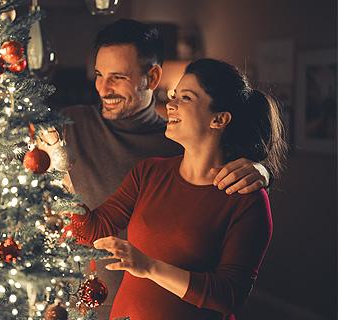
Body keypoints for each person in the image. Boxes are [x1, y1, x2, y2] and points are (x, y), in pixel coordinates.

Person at [38, 19, 272, 318]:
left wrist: (262, 170)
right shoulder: (141, 166)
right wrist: (56, 160)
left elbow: (230, 294)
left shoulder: (182, 152)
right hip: (84, 305)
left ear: (151, 77)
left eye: (118, 76)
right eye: (99, 74)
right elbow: (89, 229)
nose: (103, 88)